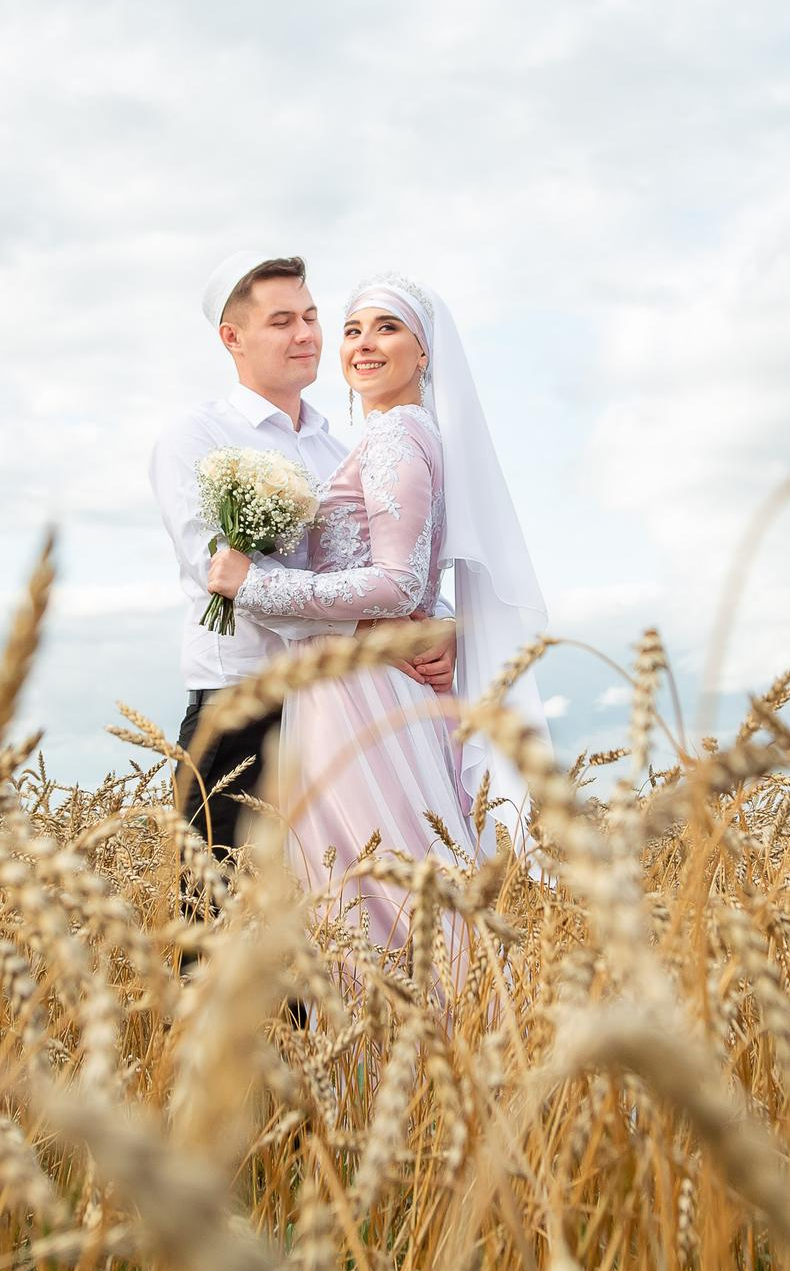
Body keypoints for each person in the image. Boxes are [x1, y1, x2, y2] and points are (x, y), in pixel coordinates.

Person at [204, 271, 550, 954]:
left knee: (373, 898)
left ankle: (406, 1048)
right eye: (354, 329)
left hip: (360, 693)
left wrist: (253, 586)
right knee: (376, 892)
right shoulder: (399, 434)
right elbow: (411, 573)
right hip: (355, 684)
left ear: (425, 353)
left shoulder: (394, 437)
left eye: (386, 328)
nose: (363, 343)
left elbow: (396, 582)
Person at [148, 252, 457, 899]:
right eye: (282, 320)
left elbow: (385, 558)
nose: (307, 335)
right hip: (241, 715)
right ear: (232, 337)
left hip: (339, 715)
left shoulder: (338, 447)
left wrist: (437, 625)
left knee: (324, 935)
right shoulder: (197, 435)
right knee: (215, 929)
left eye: (313, 317)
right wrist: (385, 621)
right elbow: (222, 572)